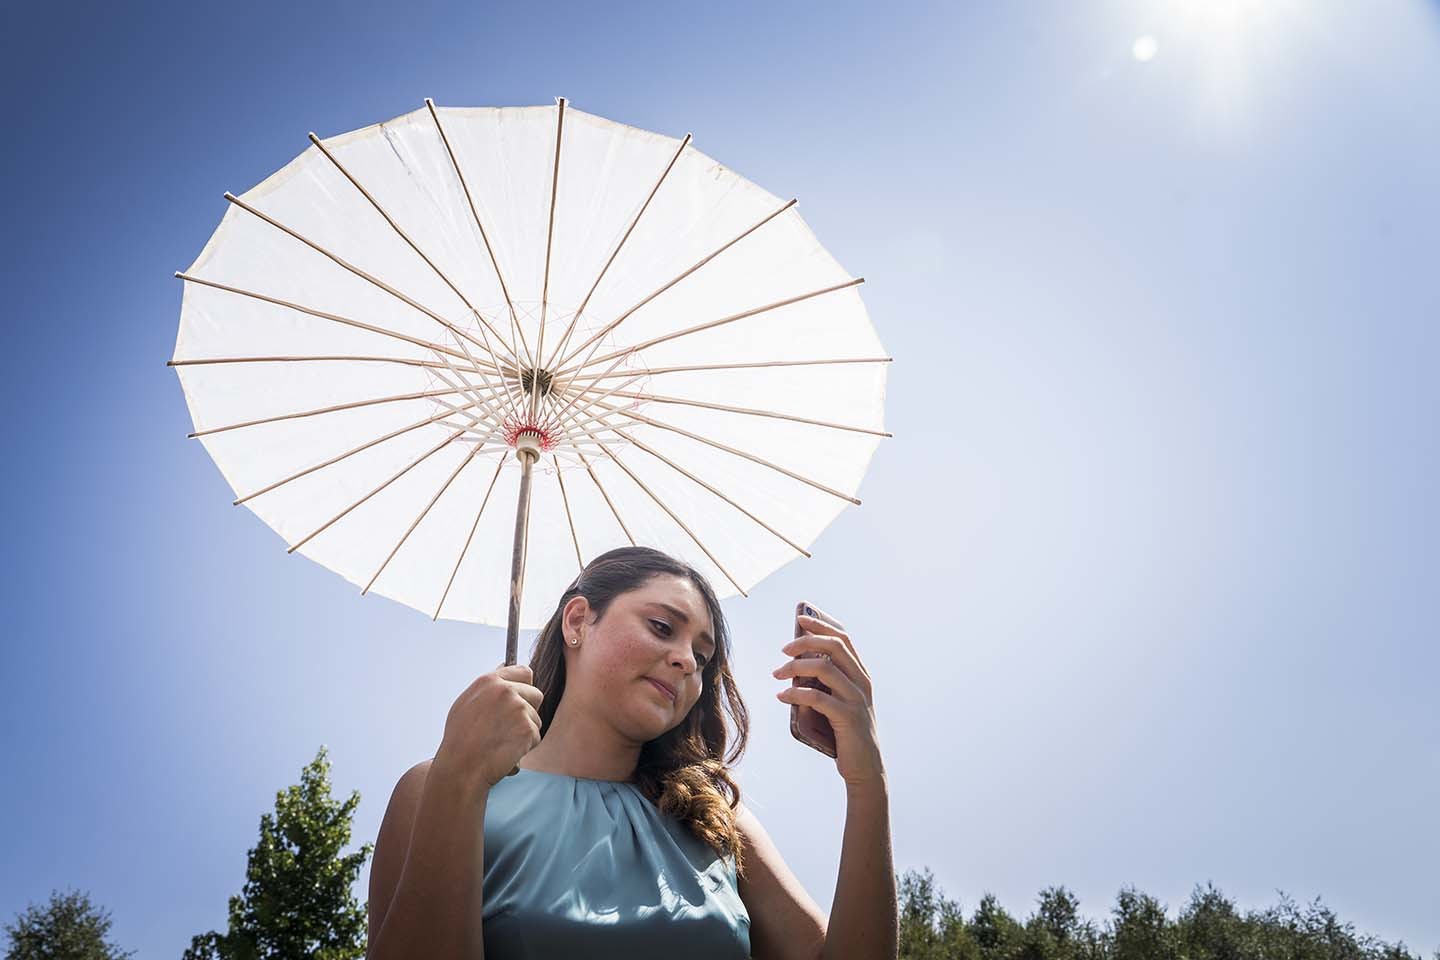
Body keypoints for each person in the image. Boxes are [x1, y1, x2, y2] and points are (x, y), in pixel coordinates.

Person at [366, 545, 897, 960]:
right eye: (662, 628)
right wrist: (461, 776)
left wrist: (866, 781)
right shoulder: (438, 787)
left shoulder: (717, 823)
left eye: (703, 656)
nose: (687, 661)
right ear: (577, 621)